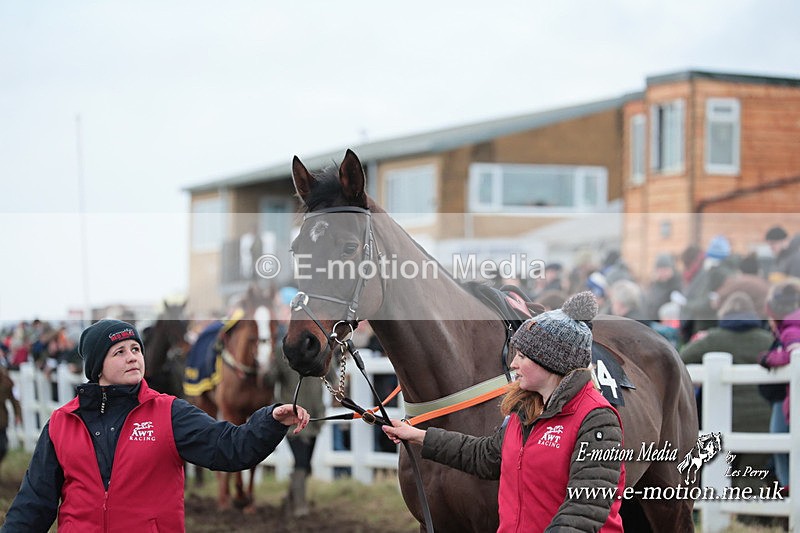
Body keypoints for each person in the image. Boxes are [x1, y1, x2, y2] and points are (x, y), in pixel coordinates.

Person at [1, 319, 310, 532]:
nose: (132, 357)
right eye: (119, 352)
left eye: (135, 349)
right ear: (97, 367)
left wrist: (269, 421)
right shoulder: (62, 423)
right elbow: (34, 502)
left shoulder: (169, 412)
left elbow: (229, 447)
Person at [383, 292, 625, 531]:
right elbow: (485, 456)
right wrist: (415, 435)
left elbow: (584, 510)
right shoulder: (527, 410)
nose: (513, 364)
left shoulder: (598, 420)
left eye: (522, 356)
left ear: (550, 362)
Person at [680, 291, 775, 493]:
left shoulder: (712, 339)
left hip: (721, 420)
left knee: (716, 474)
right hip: (762, 421)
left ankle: (718, 517)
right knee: (751, 475)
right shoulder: (768, 340)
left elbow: (681, 358)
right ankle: (751, 520)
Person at [264, 286, 329, 517]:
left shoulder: (318, 347)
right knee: (301, 461)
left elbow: (329, 374)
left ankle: (290, 498)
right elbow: (271, 379)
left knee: (306, 463)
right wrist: (267, 365)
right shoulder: (282, 348)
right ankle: (299, 506)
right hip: (293, 416)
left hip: (315, 413)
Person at [759, 279, 800, 492]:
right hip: (786, 400)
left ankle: (791, 497)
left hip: (793, 402)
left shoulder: (791, 329)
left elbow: (795, 355)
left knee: (785, 449)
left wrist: (771, 358)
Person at [0, 366, 22, 477]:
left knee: (2, 447)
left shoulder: (6, 382)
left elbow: (14, 399)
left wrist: (18, 414)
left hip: (2, 421)